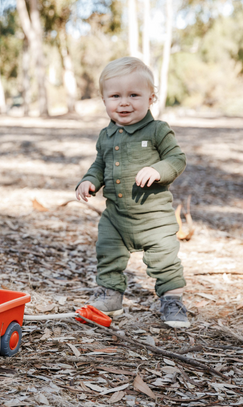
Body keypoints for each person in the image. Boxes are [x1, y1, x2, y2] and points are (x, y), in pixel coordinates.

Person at [75, 56, 189, 328]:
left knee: (164, 259)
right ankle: (111, 295)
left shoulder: (157, 130)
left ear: (151, 98)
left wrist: (159, 169)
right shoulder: (106, 135)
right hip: (116, 216)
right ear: (104, 101)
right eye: (115, 95)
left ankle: (172, 300)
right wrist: (89, 180)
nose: (124, 102)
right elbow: (100, 164)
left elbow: (177, 158)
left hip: (154, 217)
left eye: (134, 95)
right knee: (107, 252)